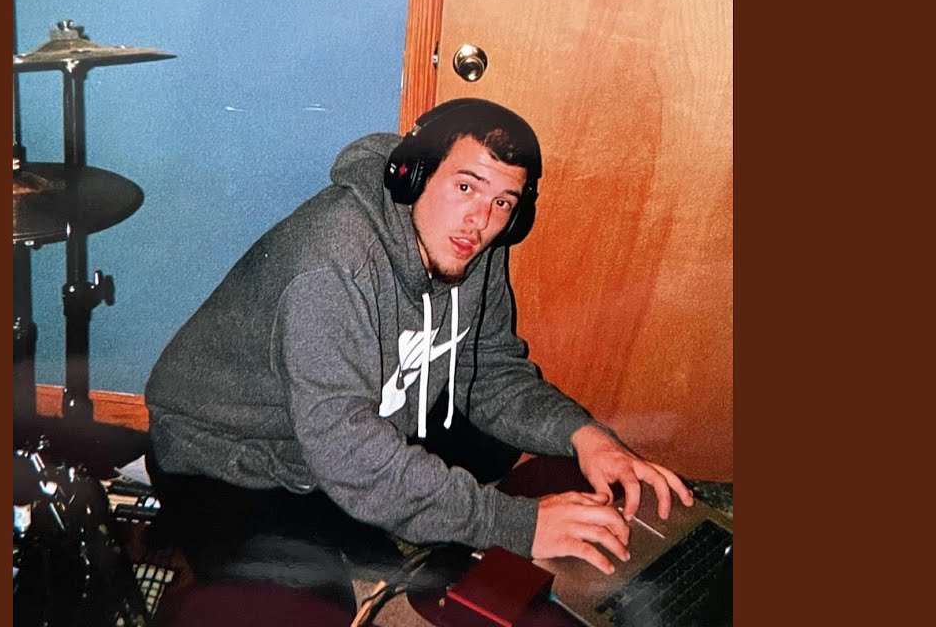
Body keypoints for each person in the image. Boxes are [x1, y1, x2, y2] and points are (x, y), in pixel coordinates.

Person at [143, 98, 694, 618]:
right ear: (413, 175)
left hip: (348, 432)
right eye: (465, 186)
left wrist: (586, 436)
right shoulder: (329, 266)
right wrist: (517, 526)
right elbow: (348, 450)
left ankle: (367, 519)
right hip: (228, 460)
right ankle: (317, 531)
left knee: (499, 445)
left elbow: (491, 371)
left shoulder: (469, 243)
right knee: (315, 611)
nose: (479, 220)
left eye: (503, 202)